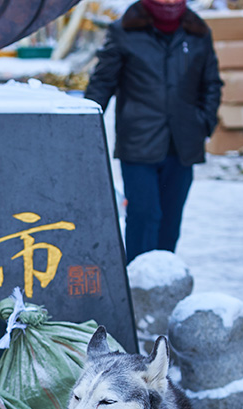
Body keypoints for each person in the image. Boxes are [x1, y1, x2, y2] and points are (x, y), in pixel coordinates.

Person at [84, 0, 223, 263]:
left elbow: (211, 83)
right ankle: (137, 284)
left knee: (170, 220)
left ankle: (164, 283)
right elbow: (102, 83)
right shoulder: (125, 30)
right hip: (139, 143)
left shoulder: (197, 31)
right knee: (144, 216)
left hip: (182, 144)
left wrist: (204, 123)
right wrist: (82, 128)